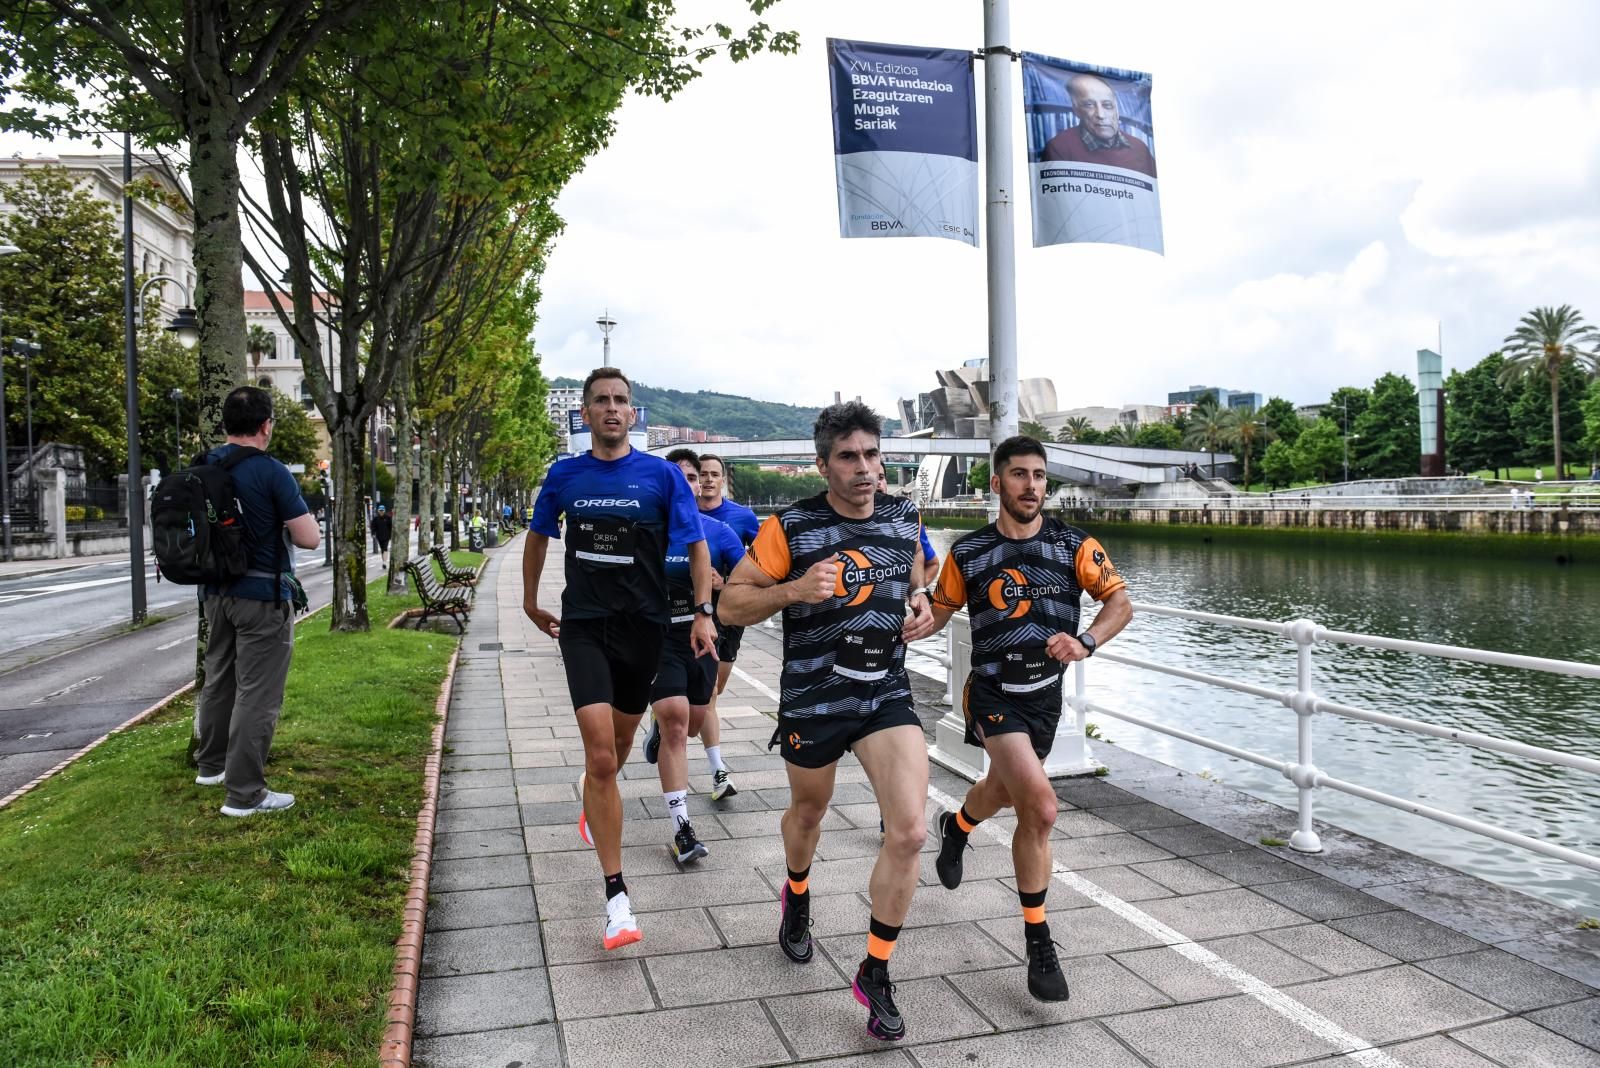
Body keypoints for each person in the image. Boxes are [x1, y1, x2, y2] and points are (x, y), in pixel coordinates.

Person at [720, 401, 935, 1043]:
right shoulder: (791, 527)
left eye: (872, 454)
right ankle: (796, 891)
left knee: (911, 831)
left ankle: (875, 970)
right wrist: (793, 590)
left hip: (884, 695)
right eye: (848, 457)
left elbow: (919, 572)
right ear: (823, 464)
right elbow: (731, 605)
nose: (865, 468)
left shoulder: (904, 514)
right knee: (808, 814)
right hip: (814, 698)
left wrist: (921, 603)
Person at [923, 435, 1132, 1002]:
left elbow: (1120, 603)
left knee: (1008, 792)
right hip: (992, 693)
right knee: (1041, 806)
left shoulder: (1074, 546)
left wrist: (1087, 640)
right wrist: (887, 621)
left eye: (1039, 476)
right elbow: (936, 614)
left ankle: (957, 827)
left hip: (1045, 698)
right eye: (1018, 475)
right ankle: (1039, 942)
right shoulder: (968, 554)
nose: (1031, 486)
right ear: (996, 483)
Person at [523, 367, 715, 952]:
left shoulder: (660, 477)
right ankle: (616, 901)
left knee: (623, 743)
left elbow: (697, 545)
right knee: (603, 754)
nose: (612, 408)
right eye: (601, 401)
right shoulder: (565, 474)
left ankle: (594, 787)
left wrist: (703, 610)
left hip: (645, 630)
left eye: (622, 401)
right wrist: (530, 603)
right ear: (585, 415)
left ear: (633, 414)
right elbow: (537, 535)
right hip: (583, 627)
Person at [193, 386, 321, 817]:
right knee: (258, 694)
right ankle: (244, 794)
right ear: (267, 425)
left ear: (226, 424)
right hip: (261, 596)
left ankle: (210, 767)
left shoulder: (203, 465)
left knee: (219, 678)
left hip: (214, 593)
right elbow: (308, 538)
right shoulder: (271, 471)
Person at [642, 449, 745, 863]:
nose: (686, 483)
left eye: (692, 477)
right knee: (676, 722)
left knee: (695, 721)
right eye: (677, 477)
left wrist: (723, 587)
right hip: (657, 640)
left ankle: (661, 726)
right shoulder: (645, 530)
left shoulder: (718, 533)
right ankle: (682, 829)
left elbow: (749, 583)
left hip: (701, 637)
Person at [694, 452, 761, 801]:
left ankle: (667, 717)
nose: (706, 480)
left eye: (713, 474)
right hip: (686, 613)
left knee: (712, 689)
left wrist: (727, 583)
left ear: (723, 480)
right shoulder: (678, 515)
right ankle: (718, 773)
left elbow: (765, 566)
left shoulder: (741, 518)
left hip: (729, 615)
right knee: (708, 696)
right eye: (700, 474)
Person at [1041, 73, 1157, 179]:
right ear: (1076, 110)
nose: (1101, 115)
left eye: (1107, 105)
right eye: (1089, 105)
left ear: (1117, 110)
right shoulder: (1059, 148)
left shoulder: (1139, 148)